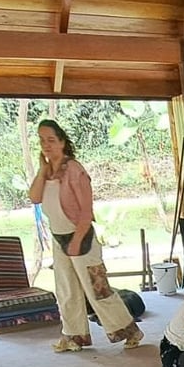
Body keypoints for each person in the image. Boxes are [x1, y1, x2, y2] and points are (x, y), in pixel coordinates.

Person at [28, 119, 144, 353]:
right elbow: (35, 197)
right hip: (58, 238)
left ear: (62, 142)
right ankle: (74, 335)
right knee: (66, 290)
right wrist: (42, 170)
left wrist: (77, 241)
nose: (46, 145)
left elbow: (85, 212)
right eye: (42, 140)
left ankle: (130, 330)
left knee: (97, 288)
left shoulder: (75, 170)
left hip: (81, 238)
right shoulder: (46, 171)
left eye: (51, 140)